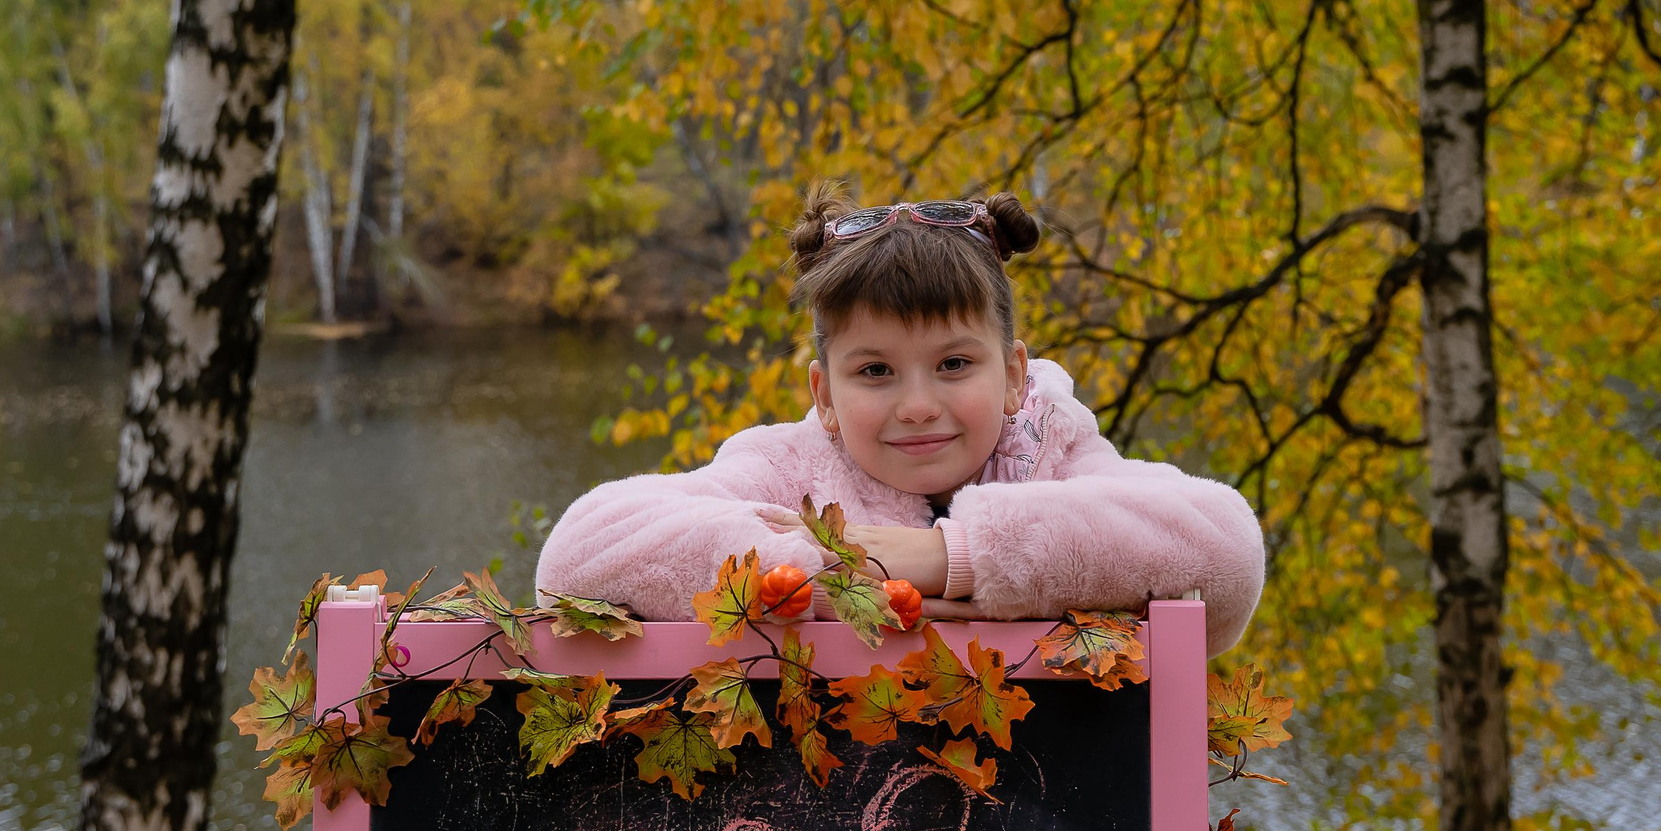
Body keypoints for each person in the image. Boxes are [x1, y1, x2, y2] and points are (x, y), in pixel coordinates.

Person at [535, 191, 1265, 655]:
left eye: (954, 364)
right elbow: (575, 558)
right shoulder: (791, 467)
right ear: (824, 393)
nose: (917, 404)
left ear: (1014, 376)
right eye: (876, 371)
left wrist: (952, 558)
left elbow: (1226, 553)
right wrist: (830, 576)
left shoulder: (1053, 449)